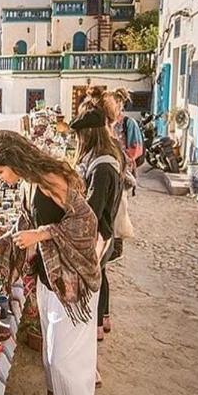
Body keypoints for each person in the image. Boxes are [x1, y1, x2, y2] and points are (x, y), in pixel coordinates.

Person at [0, 130, 101, 395]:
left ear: (13, 161)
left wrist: (42, 234)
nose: (0, 178)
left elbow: (87, 223)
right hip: (52, 280)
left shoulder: (51, 179)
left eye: (0, 172)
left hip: (73, 286)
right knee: (50, 354)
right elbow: (25, 226)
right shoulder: (29, 184)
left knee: (67, 362)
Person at [71, 107, 124, 343]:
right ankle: (105, 318)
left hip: (100, 233)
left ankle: (96, 329)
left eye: (80, 136)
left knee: (95, 278)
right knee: (101, 274)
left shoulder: (101, 167)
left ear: (89, 134)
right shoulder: (109, 157)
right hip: (107, 229)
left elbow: (92, 208)